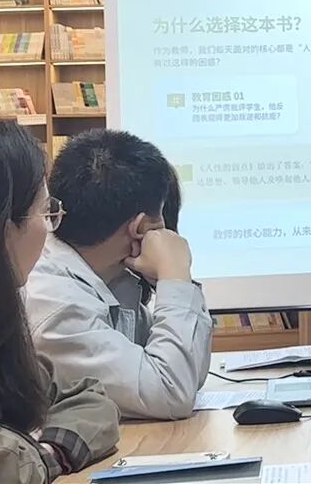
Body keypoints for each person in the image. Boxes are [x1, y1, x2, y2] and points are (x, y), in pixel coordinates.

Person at [0, 118, 119, 483]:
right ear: (3, 229)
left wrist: (50, 451)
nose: (49, 230)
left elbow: (88, 399)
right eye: (46, 213)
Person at [24, 129, 212, 420]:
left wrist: (174, 282)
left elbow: (189, 373)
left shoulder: (110, 277)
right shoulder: (57, 306)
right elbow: (171, 393)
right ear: (142, 227)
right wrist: (175, 275)